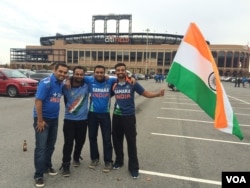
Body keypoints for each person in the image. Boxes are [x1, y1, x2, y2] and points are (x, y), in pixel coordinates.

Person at [111, 62, 165, 179]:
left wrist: (158, 94)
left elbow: (145, 93)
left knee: (131, 143)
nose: (120, 71)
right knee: (117, 141)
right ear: (115, 72)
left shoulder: (132, 83)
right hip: (116, 117)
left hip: (129, 117)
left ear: (126, 71)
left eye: (122, 70)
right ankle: (119, 161)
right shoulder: (113, 83)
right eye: (118, 70)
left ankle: (134, 168)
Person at [33, 62, 69, 187]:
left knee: (50, 145)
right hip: (43, 120)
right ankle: (38, 175)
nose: (63, 74)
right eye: (60, 71)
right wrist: (40, 120)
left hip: (54, 119)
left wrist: (67, 81)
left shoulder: (60, 84)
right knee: (41, 148)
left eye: (65, 72)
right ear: (55, 70)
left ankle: (47, 166)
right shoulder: (46, 83)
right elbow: (38, 101)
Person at [84, 65, 117, 173]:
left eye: (101, 72)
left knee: (107, 139)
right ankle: (95, 159)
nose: (99, 74)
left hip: (105, 114)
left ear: (104, 72)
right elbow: (75, 77)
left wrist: (132, 78)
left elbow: (124, 77)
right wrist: (68, 81)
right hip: (92, 114)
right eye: (97, 72)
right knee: (92, 138)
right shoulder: (89, 79)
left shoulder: (110, 80)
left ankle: (108, 161)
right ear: (94, 73)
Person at [60, 66, 89, 177]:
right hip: (69, 120)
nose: (79, 76)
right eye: (77, 74)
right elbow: (56, 80)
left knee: (81, 141)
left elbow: (101, 79)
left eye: (81, 74)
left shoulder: (87, 86)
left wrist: (130, 78)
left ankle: (76, 157)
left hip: (83, 120)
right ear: (73, 74)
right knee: (68, 143)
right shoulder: (65, 86)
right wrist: (66, 79)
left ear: (84, 75)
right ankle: (66, 165)